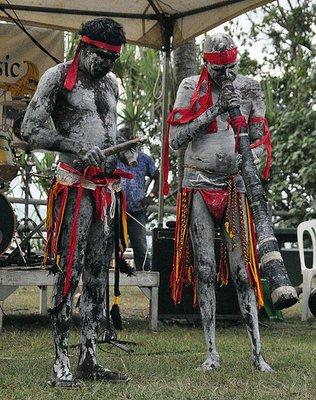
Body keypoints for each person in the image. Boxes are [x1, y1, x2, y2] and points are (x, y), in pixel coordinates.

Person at [21, 17, 130, 386]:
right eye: (101, 57)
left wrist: (121, 154)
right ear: (83, 47)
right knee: (69, 269)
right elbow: (29, 129)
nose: (107, 66)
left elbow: (109, 131)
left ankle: (89, 356)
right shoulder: (57, 77)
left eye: (113, 59)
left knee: (98, 272)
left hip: (106, 191)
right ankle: (59, 361)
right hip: (74, 186)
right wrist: (73, 145)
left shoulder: (111, 84)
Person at [169, 33, 274, 372]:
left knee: (243, 270)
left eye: (232, 68)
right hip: (198, 181)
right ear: (206, 66)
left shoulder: (251, 88)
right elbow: (175, 139)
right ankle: (211, 353)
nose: (228, 76)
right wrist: (212, 110)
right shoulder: (189, 87)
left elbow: (259, 139)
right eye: (220, 71)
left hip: (235, 184)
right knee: (205, 268)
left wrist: (252, 155)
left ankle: (257, 354)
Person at [117, 126, 159, 271]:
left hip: (136, 211)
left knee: (141, 248)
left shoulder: (144, 159)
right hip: (115, 211)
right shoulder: (113, 158)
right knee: (108, 246)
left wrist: (151, 196)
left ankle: (145, 283)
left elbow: (158, 177)